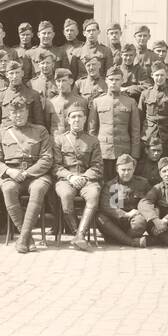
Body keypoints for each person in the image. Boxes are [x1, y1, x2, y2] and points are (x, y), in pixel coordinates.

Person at [0, 94, 55, 254]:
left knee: (38, 189)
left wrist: (27, 173)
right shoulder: (2, 133)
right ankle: (28, 239)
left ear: (27, 112)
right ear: (9, 115)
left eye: (21, 112)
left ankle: (23, 238)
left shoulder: (40, 131)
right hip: (11, 175)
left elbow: (47, 159)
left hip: (36, 174)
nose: (18, 115)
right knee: (8, 189)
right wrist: (10, 171)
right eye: (14, 113)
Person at [53, 105, 103, 252]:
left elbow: (97, 166)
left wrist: (85, 177)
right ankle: (77, 234)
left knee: (93, 195)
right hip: (66, 180)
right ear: (68, 120)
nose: (76, 120)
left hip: (88, 180)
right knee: (66, 195)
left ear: (85, 119)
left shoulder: (93, 140)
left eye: (80, 116)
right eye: (73, 117)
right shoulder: (59, 140)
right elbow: (55, 166)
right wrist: (70, 176)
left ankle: (79, 236)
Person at [88, 66, 140, 182]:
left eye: (117, 79)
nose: (114, 82)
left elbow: (135, 130)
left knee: (120, 184)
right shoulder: (97, 102)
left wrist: (135, 154)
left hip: (123, 151)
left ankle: (117, 202)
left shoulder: (130, 102)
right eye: (111, 79)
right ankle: (106, 201)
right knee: (103, 183)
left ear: (122, 81)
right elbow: (92, 130)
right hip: (103, 151)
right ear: (106, 80)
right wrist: (92, 153)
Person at [138, 63, 168, 184]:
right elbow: (140, 116)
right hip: (149, 136)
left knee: (166, 165)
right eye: (157, 75)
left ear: (166, 75)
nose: (159, 78)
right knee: (146, 165)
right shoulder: (145, 94)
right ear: (152, 75)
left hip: (167, 136)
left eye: (162, 75)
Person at [97, 153, 150, 248]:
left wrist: (139, 212)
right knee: (100, 218)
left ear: (134, 169)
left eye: (129, 169)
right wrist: (125, 214)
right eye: (123, 170)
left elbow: (149, 202)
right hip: (116, 223)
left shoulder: (143, 183)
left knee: (140, 222)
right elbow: (106, 206)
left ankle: (118, 239)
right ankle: (131, 242)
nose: (126, 173)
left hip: (133, 222)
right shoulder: (111, 185)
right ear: (117, 169)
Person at [0, 58, 47, 144]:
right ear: (6, 75)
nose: (15, 76)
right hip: (7, 139)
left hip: (29, 138)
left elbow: (39, 122)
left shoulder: (33, 94)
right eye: (11, 73)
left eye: (17, 72)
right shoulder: (0, 96)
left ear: (22, 73)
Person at [46, 68, 89, 138]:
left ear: (71, 81)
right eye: (58, 81)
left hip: (76, 141)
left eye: (64, 81)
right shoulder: (51, 103)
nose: (61, 84)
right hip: (56, 143)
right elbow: (47, 125)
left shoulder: (82, 101)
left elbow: (86, 125)